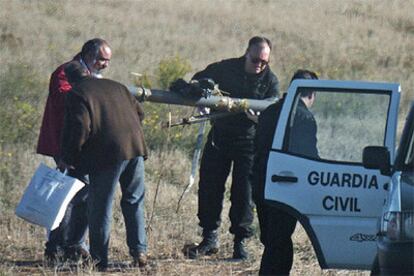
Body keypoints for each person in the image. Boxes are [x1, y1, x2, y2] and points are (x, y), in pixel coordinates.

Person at [187, 36, 279, 260]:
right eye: (256, 59)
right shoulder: (227, 68)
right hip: (220, 136)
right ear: (246, 53)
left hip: (249, 142)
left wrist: (260, 119)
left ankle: (240, 243)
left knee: (243, 193)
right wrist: (202, 98)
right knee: (209, 186)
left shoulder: (270, 80)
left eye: (264, 62)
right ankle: (209, 238)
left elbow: (274, 109)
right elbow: (198, 80)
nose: (259, 65)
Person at [59, 61, 148, 271]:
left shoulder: (76, 93)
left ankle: (99, 260)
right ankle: (139, 251)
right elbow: (140, 114)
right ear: (88, 72)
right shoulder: (117, 86)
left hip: (108, 155)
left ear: (70, 80)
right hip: (135, 148)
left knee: (100, 207)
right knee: (134, 200)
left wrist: (68, 157)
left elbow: (82, 127)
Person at [36, 38, 112, 262]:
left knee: (82, 194)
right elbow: (66, 97)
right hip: (66, 143)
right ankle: (59, 245)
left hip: (82, 144)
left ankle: (71, 244)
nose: (105, 64)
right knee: (68, 195)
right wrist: (93, 92)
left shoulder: (90, 75)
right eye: (102, 59)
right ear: (88, 55)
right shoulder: (66, 71)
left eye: (108, 60)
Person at [253, 69, 319, 275]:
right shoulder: (304, 117)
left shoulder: (270, 111)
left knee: (272, 241)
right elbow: (310, 157)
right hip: (286, 186)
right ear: (312, 94)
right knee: (279, 243)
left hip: (261, 184)